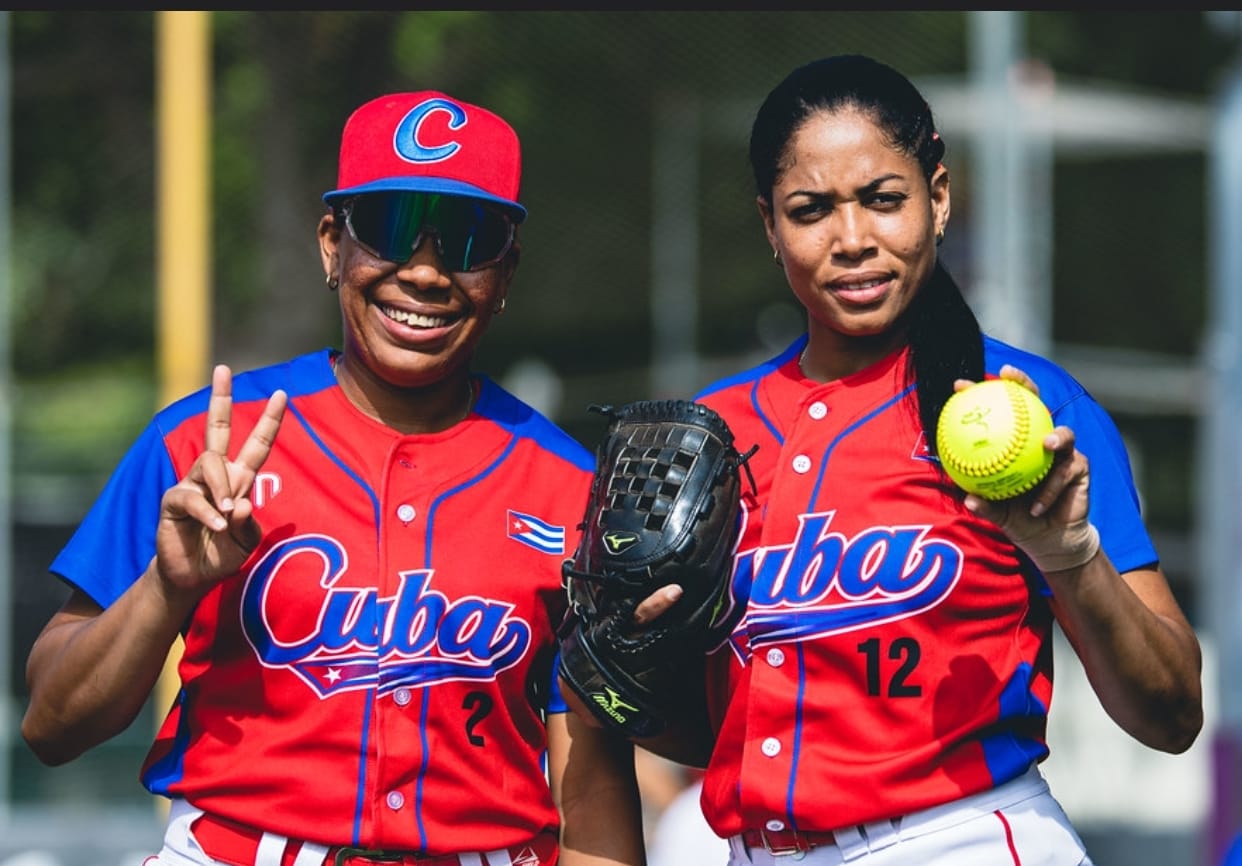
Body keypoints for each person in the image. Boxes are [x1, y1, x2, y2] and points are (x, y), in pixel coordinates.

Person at [22, 90, 647, 866]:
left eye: (465, 238)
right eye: (388, 229)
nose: (423, 271)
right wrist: (165, 587)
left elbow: (588, 794)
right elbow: (51, 725)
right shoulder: (201, 444)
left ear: (506, 271)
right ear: (331, 245)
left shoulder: (569, 486)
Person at [632, 54, 1204, 865]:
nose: (854, 239)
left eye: (884, 199)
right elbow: (711, 733)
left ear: (937, 198)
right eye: (811, 210)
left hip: (958, 840)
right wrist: (627, 660)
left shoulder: (1028, 405)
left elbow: (1172, 715)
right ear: (769, 224)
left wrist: (1071, 558)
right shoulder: (712, 432)